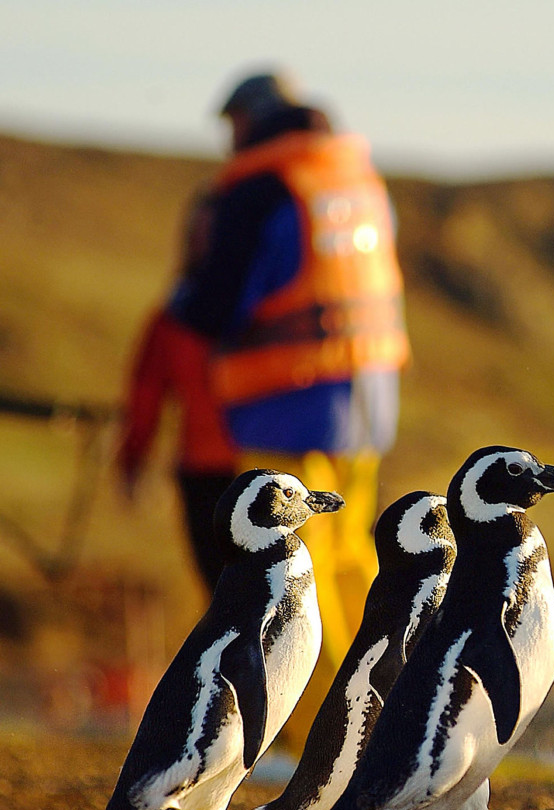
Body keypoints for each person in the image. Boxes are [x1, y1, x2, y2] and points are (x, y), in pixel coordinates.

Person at [132, 69, 410, 749]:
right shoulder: (352, 180)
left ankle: (339, 749)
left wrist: (187, 304)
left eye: (232, 128)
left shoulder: (261, 188)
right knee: (355, 572)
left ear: (250, 122)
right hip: (367, 407)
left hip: (289, 410)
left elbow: (214, 306)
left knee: (293, 588)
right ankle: (395, 722)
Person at [116, 200, 239, 594]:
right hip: (203, 473)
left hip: (266, 465)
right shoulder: (174, 314)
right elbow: (146, 391)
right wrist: (133, 459)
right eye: (197, 233)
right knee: (223, 596)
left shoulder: (267, 306)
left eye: (216, 234)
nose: (206, 244)